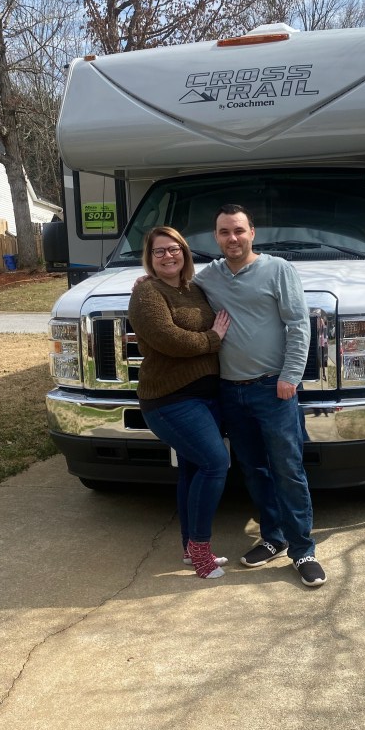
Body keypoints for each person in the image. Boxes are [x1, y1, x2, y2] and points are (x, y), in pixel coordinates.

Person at [194, 204, 327, 588]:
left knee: (288, 469)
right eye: (224, 232)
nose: (232, 238)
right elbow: (175, 284)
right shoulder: (209, 277)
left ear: (252, 232)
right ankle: (274, 537)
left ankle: (303, 550)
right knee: (254, 470)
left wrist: (290, 376)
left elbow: (298, 325)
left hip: (273, 388)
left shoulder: (278, 269)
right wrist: (147, 281)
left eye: (238, 230)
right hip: (230, 391)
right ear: (216, 237)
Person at [127, 226, 231, 579]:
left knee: (192, 469)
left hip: (206, 397)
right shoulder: (147, 293)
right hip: (170, 400)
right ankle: (201, 551)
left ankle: (190, 546)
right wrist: (213, 338)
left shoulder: (194, 288)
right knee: (215, 463)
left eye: (174, 249)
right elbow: (168, 339)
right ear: (149, 258)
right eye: (159, 251)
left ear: (185, 253)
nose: (168, 256)